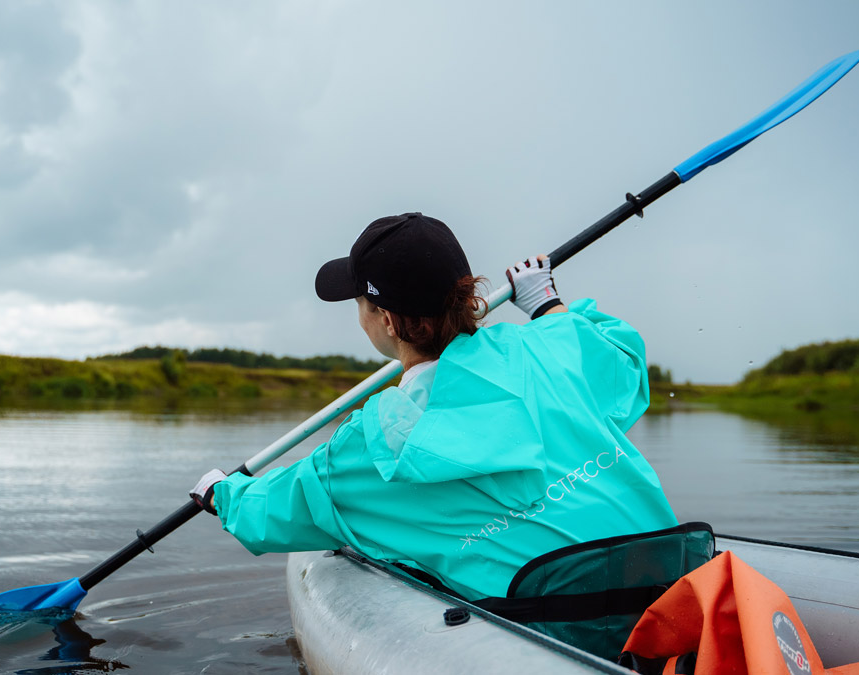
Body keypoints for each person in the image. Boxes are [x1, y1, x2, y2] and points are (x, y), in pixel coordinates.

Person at [190, 212, 677, 601]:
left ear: (385, 319)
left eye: (359, 303)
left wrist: (221, 494)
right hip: (671, 586)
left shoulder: (374, 439)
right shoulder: (547, 347)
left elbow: (286, 506)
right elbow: (622, 363)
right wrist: (546, 303)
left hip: (552, 626)